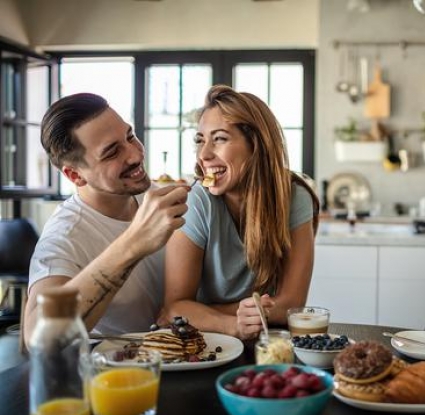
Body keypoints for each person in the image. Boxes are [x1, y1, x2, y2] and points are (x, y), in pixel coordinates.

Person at [24, 93, 190, 347]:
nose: (135, 155)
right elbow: (37, 337)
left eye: (130, 136)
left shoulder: (161, 196)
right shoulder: (65, 235)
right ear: (74, 175)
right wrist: (133, 244)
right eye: (112, 153)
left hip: (200, 358)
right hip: (122, 376)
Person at [160, 85, 319, 340]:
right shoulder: (199, 201)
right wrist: (234, 322)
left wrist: (206, 313)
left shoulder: (294, 197)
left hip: (267, 341)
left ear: (256, 145)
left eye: (220, 138)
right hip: (206, 342)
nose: (204, 154)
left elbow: (292, 304)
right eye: (200, 140)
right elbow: (173, 309)